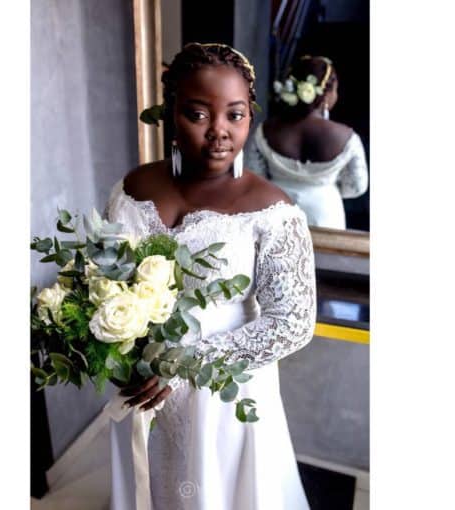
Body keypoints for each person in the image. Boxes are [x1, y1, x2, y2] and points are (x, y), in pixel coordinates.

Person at [104, 43, 316, 510]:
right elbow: (104, 275)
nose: (219, 132)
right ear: (169, 114)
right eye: (198, 115)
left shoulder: (274, 211)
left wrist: (181, 363)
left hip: (225, 392)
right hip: (141, 380)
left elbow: (292, 323)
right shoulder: (132, 187)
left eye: (235, 116)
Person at [245, 55, 368, 229]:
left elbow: (254, 176)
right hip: (325, 216)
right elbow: (356, 186)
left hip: (276, 212)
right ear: (327, 93)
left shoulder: (265, 131)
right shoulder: (348, 137)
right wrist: (324, 186)